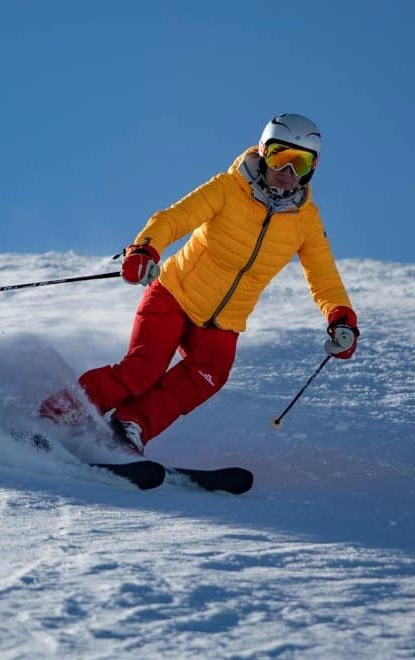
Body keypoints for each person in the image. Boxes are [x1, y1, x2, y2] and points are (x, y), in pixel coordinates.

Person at [40, 113, 359, 454]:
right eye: (281, 157)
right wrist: (145, 250)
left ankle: (130, 426)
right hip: (174, 295)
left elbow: (323, 274)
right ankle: (54, 417)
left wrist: (341, 318)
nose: (288, 172)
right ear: (264, 153)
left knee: (209, 375)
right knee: (142, 370)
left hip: (223, 323)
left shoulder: (306, 221)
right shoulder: (228, 188)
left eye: (301, 162)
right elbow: (174, 219)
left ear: (313, 167)